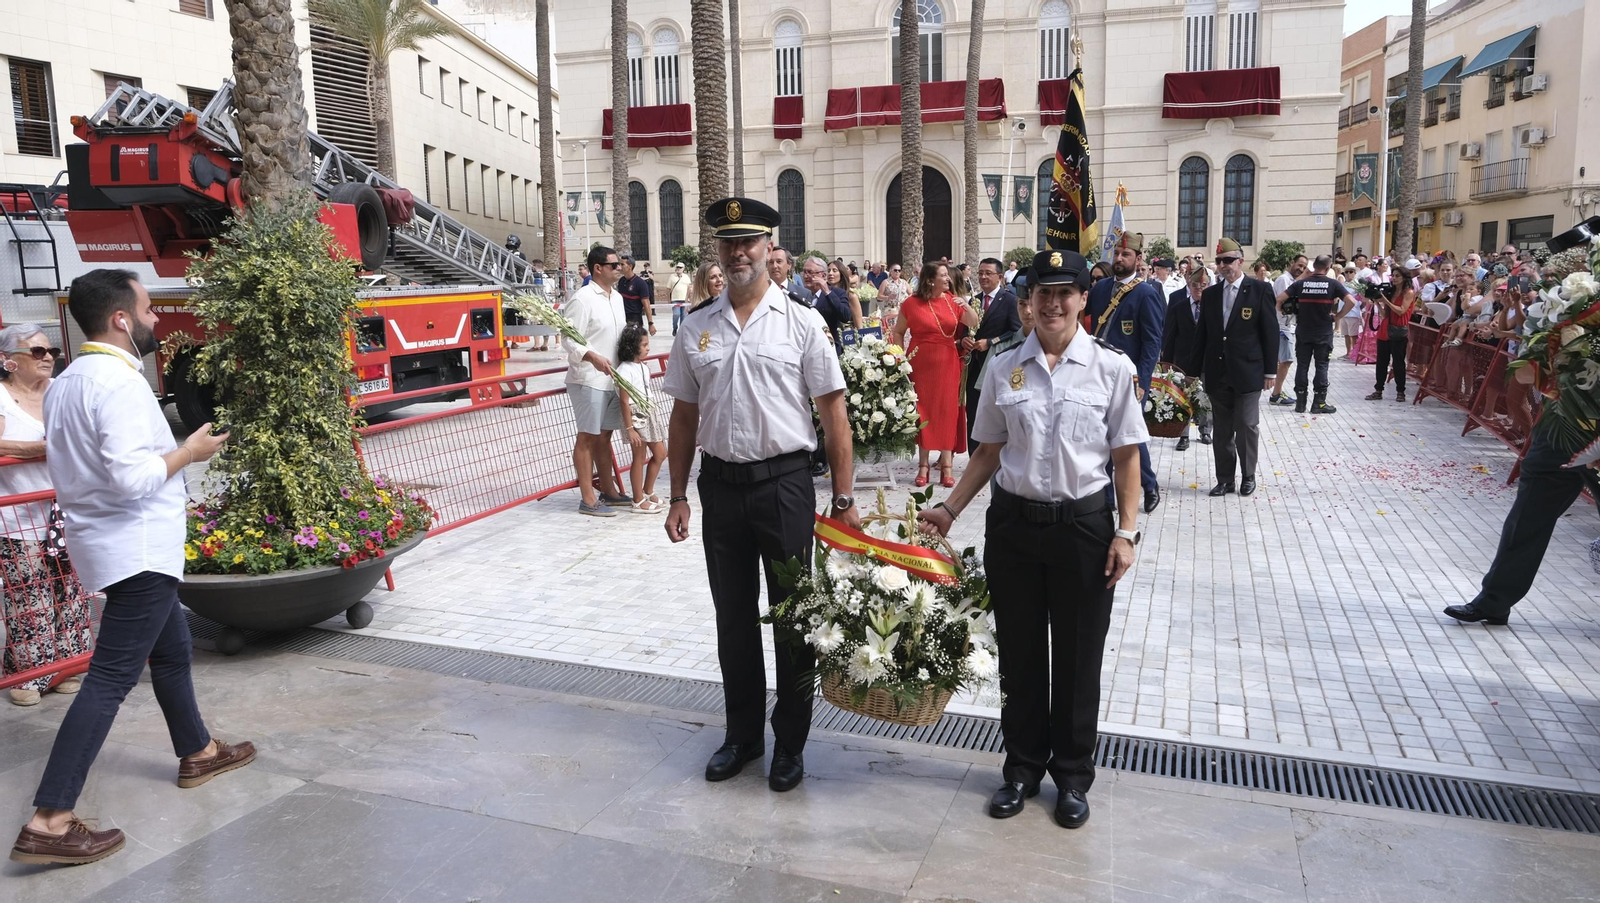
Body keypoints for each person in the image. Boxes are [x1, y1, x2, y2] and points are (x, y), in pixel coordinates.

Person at [11, 269, 246, 867]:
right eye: (147, 309)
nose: (156, 318)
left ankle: (197, 750)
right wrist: (189, 451)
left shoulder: (68, 382)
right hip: (138, 550)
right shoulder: (116, 383)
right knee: (111, 678)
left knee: (171, 652)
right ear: (121, 318)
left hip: (116, 548)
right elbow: (130, 477)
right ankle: (51, 819)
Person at [917, 248, 1147, 830]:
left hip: (1083, 531)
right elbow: (988, 452)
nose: (1053, 303)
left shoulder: (1111, 368)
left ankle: (1072, 777)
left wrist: (1126, 532)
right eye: (1042, 293)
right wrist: (949, 508)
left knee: (1076, 659)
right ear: (1029, 303)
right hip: (1015, 529)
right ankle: (1020, 769)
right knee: (1019, 657)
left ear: (1082, 300)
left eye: (1064, 292)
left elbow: (1126, 460)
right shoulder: (1002, 367)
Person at [663, 197, 857, 793]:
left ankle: (791, 744)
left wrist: (843, 498)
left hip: (785, 488)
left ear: (769, 249)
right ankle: (742, 736)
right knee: (734, 621)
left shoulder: (802, 322)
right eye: (728, 243)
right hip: (720, 490)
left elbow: (834, 413)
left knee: (794, 620)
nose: (738, 253)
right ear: (717, 252)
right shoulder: (695, 327)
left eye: (749, 242)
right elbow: (683, 417)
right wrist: (677, 494)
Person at [0, 325, 91, 707]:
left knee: (70, 590)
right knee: (30, 597)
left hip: (65, 513)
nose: (48, 356)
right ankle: (26, 674)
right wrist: (33, 448)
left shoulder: (58, 392)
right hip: (19, 518)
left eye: (50, 349)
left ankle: (66, 666)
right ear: (8, 360)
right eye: (36, 351)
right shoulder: (2, 398)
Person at [1186, 238, 1278, 497]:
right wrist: (1192, 371)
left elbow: (1270, 332)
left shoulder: (1260, 290)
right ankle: (1225, 479)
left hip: (1248, 372)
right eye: (1219, 261)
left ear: (1241, 261)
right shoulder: (1212, 294)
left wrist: (1270, 371)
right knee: (1223, 429)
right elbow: (1202, 334)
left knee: (1247, 426)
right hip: (1218, 372)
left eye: (1228, 260)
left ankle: (1248, 476)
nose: (1223, 266)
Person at [1085, 232, 1164, 513]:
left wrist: (1142, 381)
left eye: (1126, 254)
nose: (1119, 258)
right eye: (1117, 253)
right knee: (1100, 435)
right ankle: (1106, 498)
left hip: (1129, 380)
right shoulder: (1101, 288)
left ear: (1138, 259)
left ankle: (1149, 484)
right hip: (1097, 375)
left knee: (1129, 437)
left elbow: (1152, 342)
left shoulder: (1146, 294)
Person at [888, 261, 978, 488]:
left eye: (947, 276)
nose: (948, 279)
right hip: (920, 362)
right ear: (930, 280)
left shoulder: (951, 301)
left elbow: (973, 323)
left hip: (948, 362)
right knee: (922, 412)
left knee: (947, 411)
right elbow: (898, 332)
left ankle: (947, 466)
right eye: (944, 276)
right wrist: (900, 359)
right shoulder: (911, 304)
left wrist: (965, 306)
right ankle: (923, 466)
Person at [565, 246, 632, 517]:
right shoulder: (582, 299)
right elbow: (568, 338)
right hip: (589, 379)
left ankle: (609, 491)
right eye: (614, 265)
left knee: (605, 437)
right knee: (588, 437)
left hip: (613, 380)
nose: (620, 268)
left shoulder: (616, 297)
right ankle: (587, 497)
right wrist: (592, 357)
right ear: (598, 268)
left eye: (620, 265)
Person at [1278, 255, 1352, 414]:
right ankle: (1319, 403)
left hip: (1303, 331)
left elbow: (1278, 299)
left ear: (1314, 266)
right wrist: (1337, 317)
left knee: (1302, 366)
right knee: (1322, 366)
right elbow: (1351, 301)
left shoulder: (1300, 284)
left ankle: (1300, 403)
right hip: (1323, 332)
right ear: (1328, 267)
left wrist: (1286, 313)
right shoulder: (1333, 284)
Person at [964, 257, 1020, 445]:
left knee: (996, 416)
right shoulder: (974, 301)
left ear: (1000, 276)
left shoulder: (1010, 301)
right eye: (980, 273)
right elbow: (968, 328)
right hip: (974, 367)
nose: (983, 277)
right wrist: (964, 340)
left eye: (988, 273)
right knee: (973, 414)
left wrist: (990, 342)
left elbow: (1015, 331)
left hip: (997, 365)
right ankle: (974, 458)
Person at [615, 324, 668, 514]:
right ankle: (637, 500)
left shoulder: (643, 367)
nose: (648, 348)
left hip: (649, 412)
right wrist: (629, 428)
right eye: (644, 345)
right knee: (639, 457)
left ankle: (648, 490)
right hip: (635, 417)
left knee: (661, 452)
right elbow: (624, 401)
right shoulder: (624, 370)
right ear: (633, 346)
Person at [1162, 269, 1213, 450]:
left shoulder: (1213, 308)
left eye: (1203, 285)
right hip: (1183, 361)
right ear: (1189, 286)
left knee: (1206, 396)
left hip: (1207, 360)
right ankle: (1183, 435)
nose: (1198, 288)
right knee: (1182, 398)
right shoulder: (1179, 307)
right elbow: (1169, 335)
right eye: (1194, 285)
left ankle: (1205, 430)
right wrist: (1167, 360)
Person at [1365, 277, 1415, 402]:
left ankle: (1400, 391)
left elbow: (1401, 311)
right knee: (1381, 363)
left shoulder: (1408, 292)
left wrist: (1385, 301)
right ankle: (1378, 390)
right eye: (1394, 275)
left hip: (1398, 331)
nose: (1395, 278)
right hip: (1385, 331)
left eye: (1398, 275)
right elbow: (1385, 315)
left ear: (1404, 277)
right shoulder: (1391, 292)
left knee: (1398, 363)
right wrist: (1377, 302)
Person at [1267, 255, 1307, 407]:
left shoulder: (1292, 281)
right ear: (1292, 262)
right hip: (1283, 326)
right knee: (1286, 360)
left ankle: (1277, 391)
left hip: (1287, 325)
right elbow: (1281, 301)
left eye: (1303, 267)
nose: (1301, 269)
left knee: (1283, 360)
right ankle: (1276, 394)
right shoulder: (1284, 280)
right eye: (1299, 265)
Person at [802, 255, 862, 350]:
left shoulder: (838, 294)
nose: (806, 276)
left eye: (810, 272)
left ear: (823, 275)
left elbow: (845, 316)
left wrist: (827, 292)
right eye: (804, 272)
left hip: (830, 348)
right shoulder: (801, 294)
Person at [617, 257, 657, 334]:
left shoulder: (640, 283)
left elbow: (646, 304)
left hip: (635, 320)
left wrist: (650, 323)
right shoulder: (621, 281)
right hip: (622, 319)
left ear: (630, 266)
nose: (619, 267)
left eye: (622, 264)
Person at [1339, 265, 1364, 356]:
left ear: (1354, 273)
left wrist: (1360, 308)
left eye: (1351, 272)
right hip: (1343, 312)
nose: (1348, 274)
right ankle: (1348, 352)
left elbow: (1363, 298)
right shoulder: (1343, 284)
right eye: (1346, 272)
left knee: (1353, 335)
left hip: (1353, 312)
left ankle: (1355, 353)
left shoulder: (1358, 285)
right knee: (1346, 334)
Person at [668, 261, 692, 335]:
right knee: (676, 314)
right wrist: (669, 300)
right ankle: (675, 328)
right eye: (678, 267)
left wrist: (688, 299)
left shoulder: (686, 277)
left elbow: (689, 288)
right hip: (675, 300)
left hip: (684, 300)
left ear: (683, 269)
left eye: (680, 267)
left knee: (683, 316)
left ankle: (681, 330)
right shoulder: (672, 277)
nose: (679, 269)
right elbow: (668, 289)